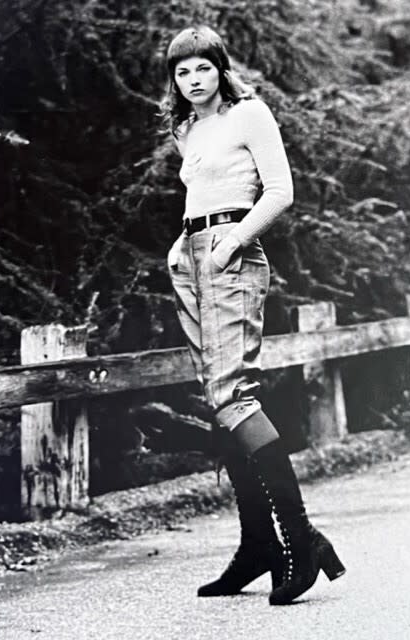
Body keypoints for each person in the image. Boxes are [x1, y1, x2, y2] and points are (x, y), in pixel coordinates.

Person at [162, 25, 346, 605]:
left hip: (232, 257)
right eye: (181, 72)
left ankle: (299, 541)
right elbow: (200, 196)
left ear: (220, 68)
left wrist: (233, 241)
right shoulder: (187, 129)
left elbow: (280, 190)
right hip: (192, 258)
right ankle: (258, 545)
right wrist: (182, 246)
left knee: (234, 397)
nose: (193, 81)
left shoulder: (250, 113)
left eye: (202, 69)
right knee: (219, 402)